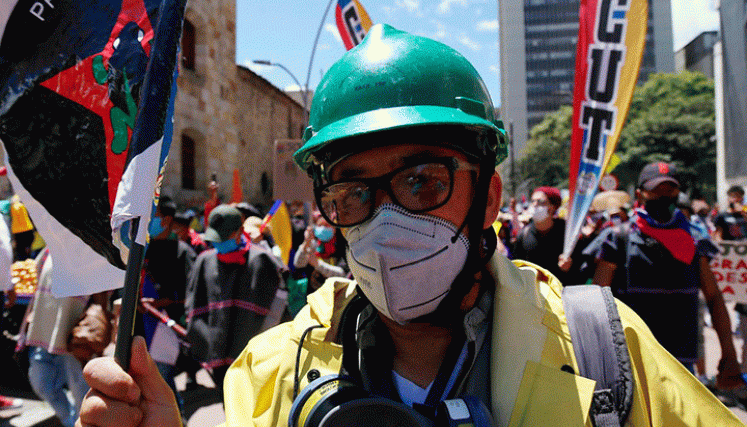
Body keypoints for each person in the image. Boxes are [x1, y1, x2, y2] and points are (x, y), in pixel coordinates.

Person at [77, 25, 743, 427]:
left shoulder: (604, 349)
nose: (386, 220)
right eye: (352, 192)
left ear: (487, 198)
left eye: (422, 181)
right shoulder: (273, 367)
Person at [586, 162, 740, 382]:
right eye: (655, 190)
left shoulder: (694, 241)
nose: (664, 196)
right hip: (629, 361)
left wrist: (730, 353)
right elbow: (596, 302)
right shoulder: (618, 238)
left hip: (680, 363)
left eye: (670, 190)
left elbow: (714, 298)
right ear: (640, 195)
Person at [184, 205, 285, 390]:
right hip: (218, 355)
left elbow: (278, 311)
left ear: (239, 232)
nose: (218, 244)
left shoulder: (262, 261)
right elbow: (194, 306)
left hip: (254, 356)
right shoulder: (204, 261)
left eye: (224, 237)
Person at [140, 197, 196, 413]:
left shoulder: (184, 253)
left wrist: (163, 302)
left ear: (166, 220)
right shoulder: (141, 251)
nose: (149, 221)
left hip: (167, 330)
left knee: (163, 383)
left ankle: (177, 417)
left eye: (154, 215)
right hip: (143, 329)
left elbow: (192, 295)